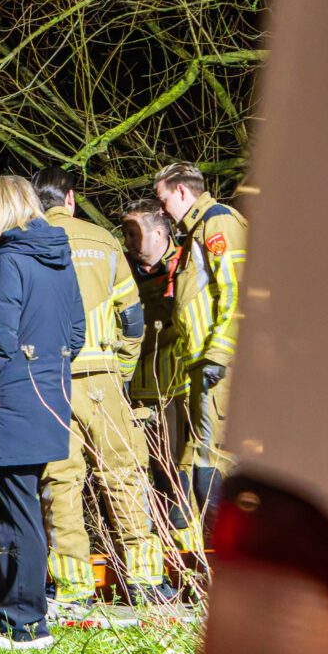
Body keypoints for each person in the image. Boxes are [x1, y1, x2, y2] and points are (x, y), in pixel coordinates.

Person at [28, 166, 166, 609]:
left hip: (50, 383)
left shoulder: (23, 241)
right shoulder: (104, 241)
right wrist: (122, 369)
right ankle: (146, 580)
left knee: (60, 482)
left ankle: (73, 588)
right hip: (103, 378)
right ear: (70, 198)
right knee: (124, 475)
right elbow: (132, 316)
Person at [0, 176, 84, 650]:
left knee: (11, 514)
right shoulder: (58, 256)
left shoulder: (8, 261)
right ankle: (24, 618)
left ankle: (23, 624)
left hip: (10, 400)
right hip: (49, 396)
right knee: (24, 506)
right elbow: (76, 334)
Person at [153, 161, 250, 548]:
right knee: (203, 462)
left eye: (162, 199)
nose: (161, 210)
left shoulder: (217, 224)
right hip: (202, 365)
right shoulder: (195, 232)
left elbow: (236, 293)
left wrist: (218, 354)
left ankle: (225, 563)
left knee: (215, 463)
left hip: (219, 367)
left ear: (180, 192)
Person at [121, 200, 188, 548]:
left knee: (181, 471)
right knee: (150, 473)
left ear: (160, 232)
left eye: (136, 233)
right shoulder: (122, 271)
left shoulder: (186, 265)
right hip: (136, 390)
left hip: (179, 386)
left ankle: (190, 551)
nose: (130, 242)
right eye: (126, 234)